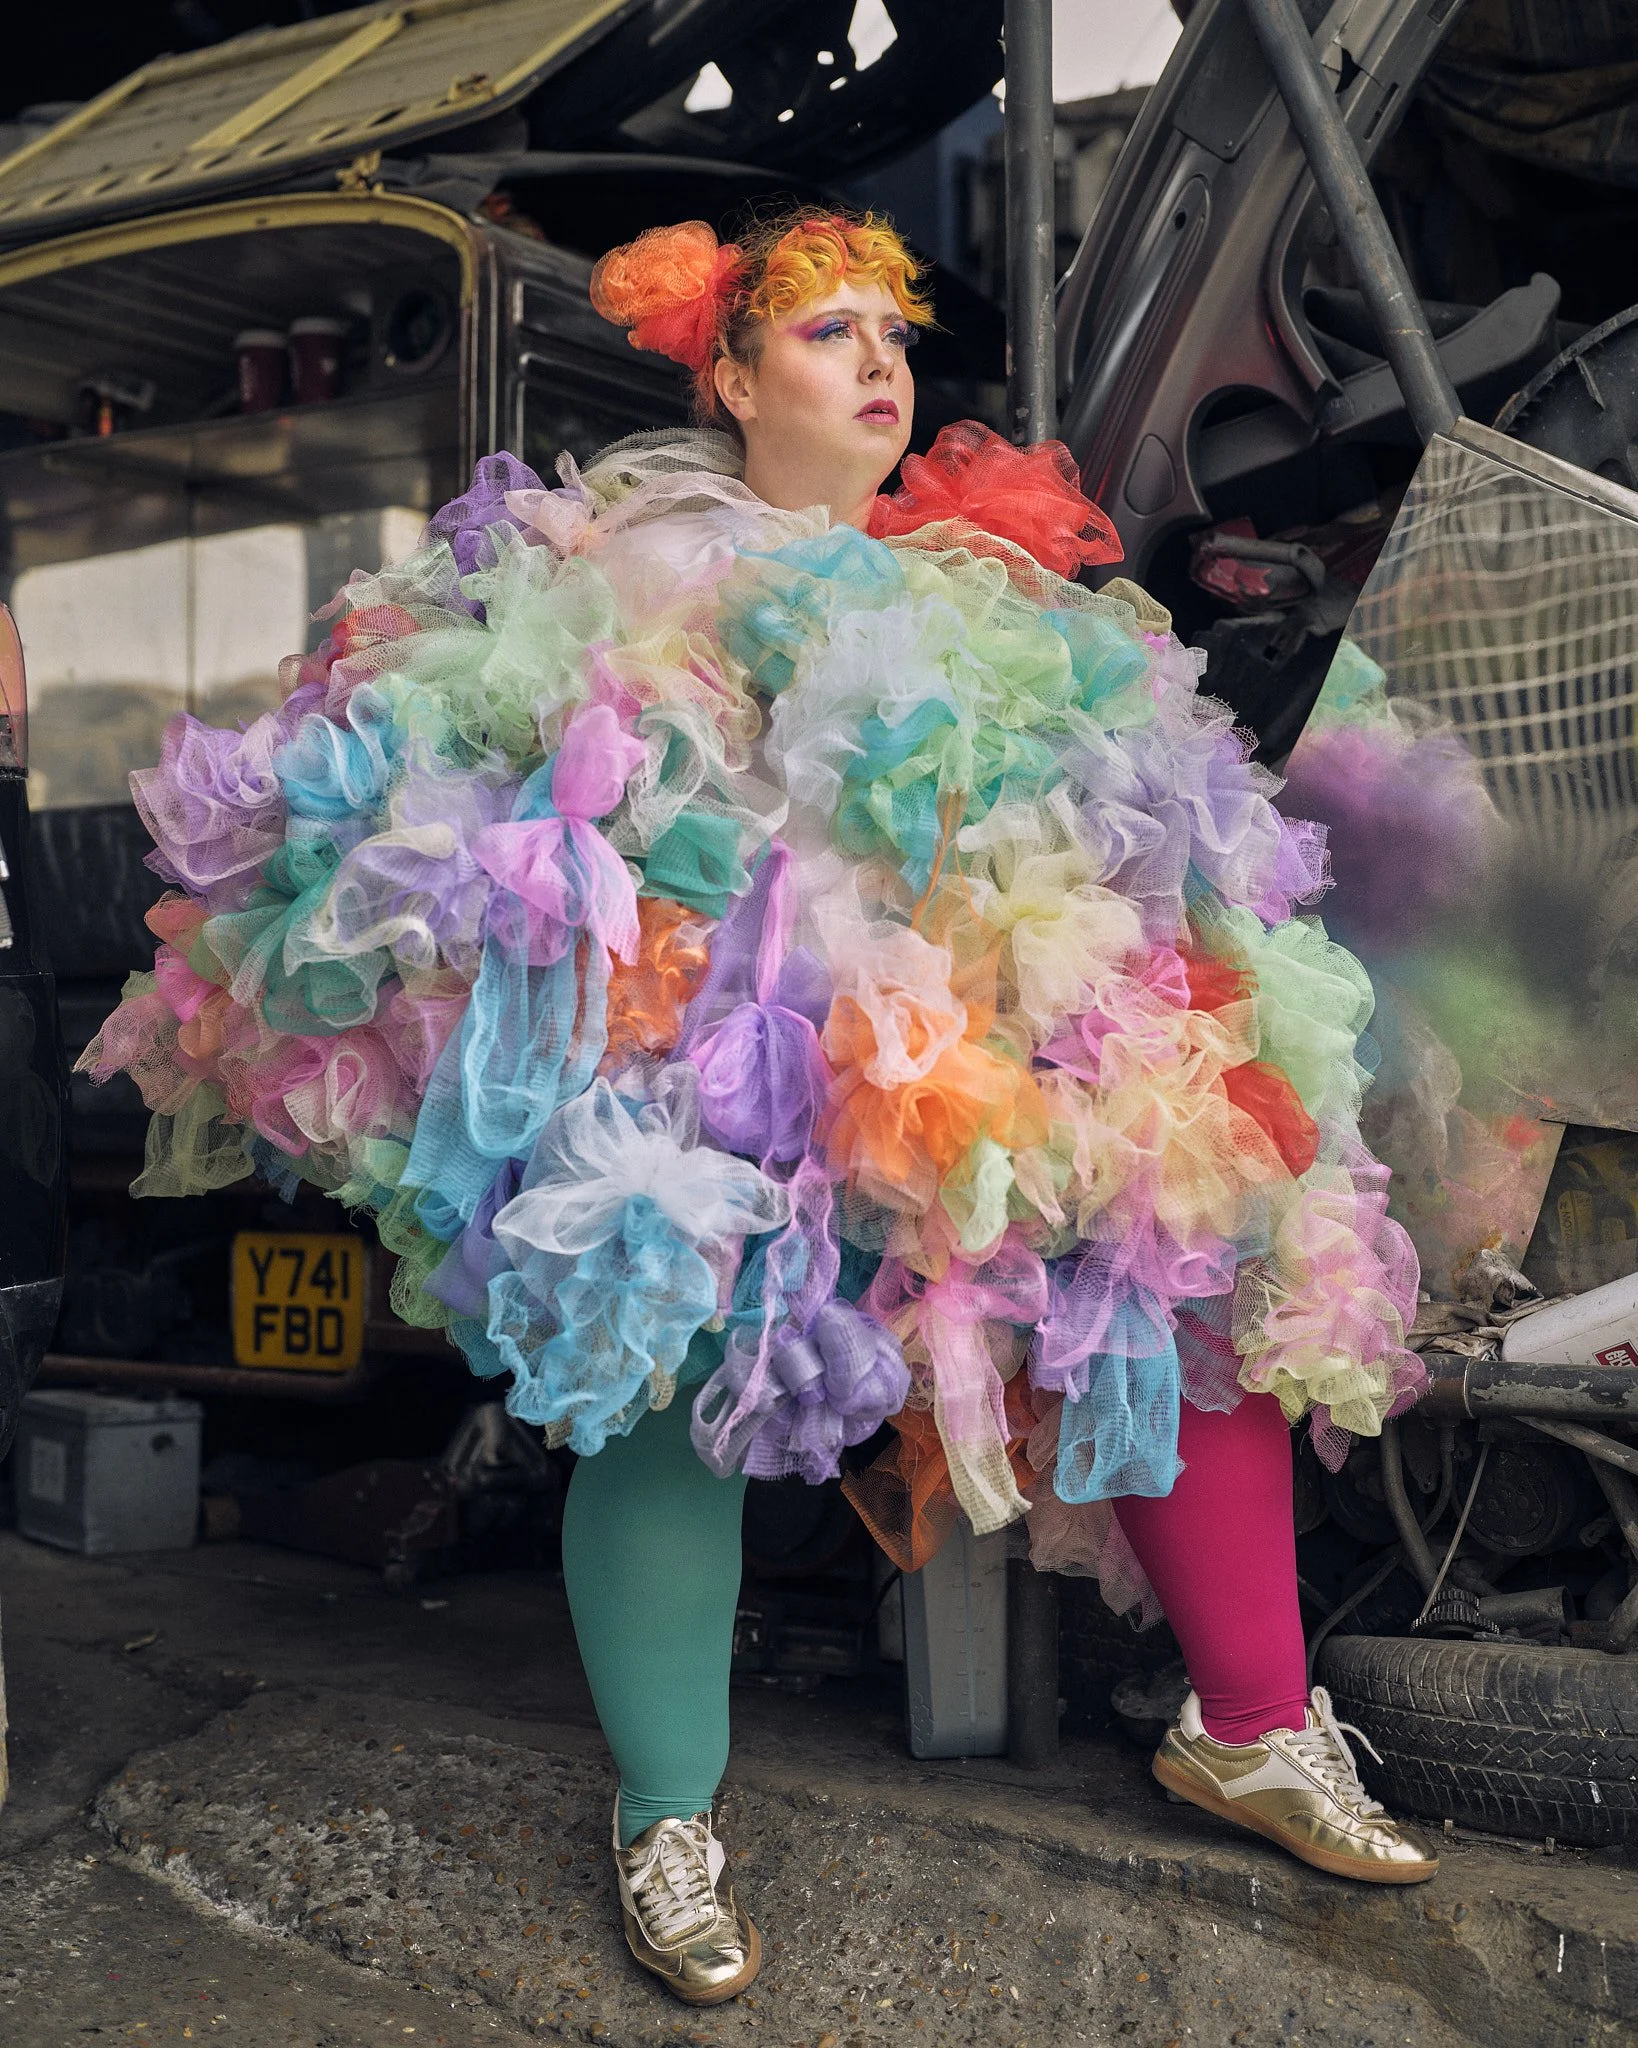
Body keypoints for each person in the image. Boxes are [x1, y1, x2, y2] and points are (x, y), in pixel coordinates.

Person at [84, 205, 1438, 2012]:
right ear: (727, 376)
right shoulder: (643, 556)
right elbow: (540, 807)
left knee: (1183, 1252)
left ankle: (1256, 1726)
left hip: (956, 1049)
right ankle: (666, 1815)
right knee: (675, 1352)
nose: (880, 363)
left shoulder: (983, 582)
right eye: (827, 335)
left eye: (894, 333)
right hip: (719, 1043)